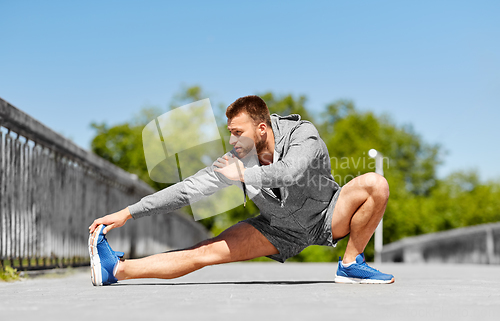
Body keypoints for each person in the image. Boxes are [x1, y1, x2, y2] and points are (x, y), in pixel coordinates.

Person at [88, 95, 394, 286]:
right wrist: (128, 212)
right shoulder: (236, 160)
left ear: (261, 128)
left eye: (238, 132)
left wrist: (245, 175)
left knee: (375, 184)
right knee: (205, 251)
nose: (233, 141)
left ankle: (351, 263)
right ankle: (116, 270)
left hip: (328, 214)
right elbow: (187, 191)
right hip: (277, 229)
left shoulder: (304, 135)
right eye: (230, 133)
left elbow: (290, 172)